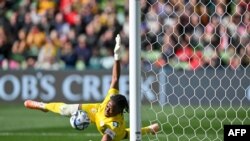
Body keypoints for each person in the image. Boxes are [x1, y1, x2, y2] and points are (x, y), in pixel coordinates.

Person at [24, 34, 159, 141]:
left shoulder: (114, 125)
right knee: (65, 109)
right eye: (108, 105)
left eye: (110, 109)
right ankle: (43, 106)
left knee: (126, 135)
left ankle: (149, 129)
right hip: (95, 112)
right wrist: (117, 56)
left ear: (118, 112)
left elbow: (106, 137)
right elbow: (115, 78)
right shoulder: (108, 103)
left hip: (114, 132)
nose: (107, 107)